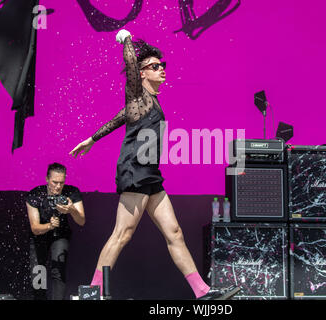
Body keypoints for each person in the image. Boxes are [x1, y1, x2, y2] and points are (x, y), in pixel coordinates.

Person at [70, 29, 239, 300]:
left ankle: (202, 292)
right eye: (155, 66)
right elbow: (129, 65)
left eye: (162, 65)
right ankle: (94, 291)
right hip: (134, 171)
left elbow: (119, 117)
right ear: (142, 73)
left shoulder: (147, 103)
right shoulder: (138, 94)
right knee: (122, 234)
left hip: (151, 175)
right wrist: (126, 39)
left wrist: (92, 137)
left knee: (175, 232)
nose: (162, 70)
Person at [26, 162, 86, 300]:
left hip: (60, 235)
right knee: (38, 270)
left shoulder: (71, 192)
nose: (58, 186)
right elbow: (35, 228)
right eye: (54, 182)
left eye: (61, 182)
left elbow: (81, 220)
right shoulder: (35, 195)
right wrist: (49, 226)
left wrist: (72, 210)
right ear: (47, 179)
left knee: (58, 269)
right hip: (39, 235)